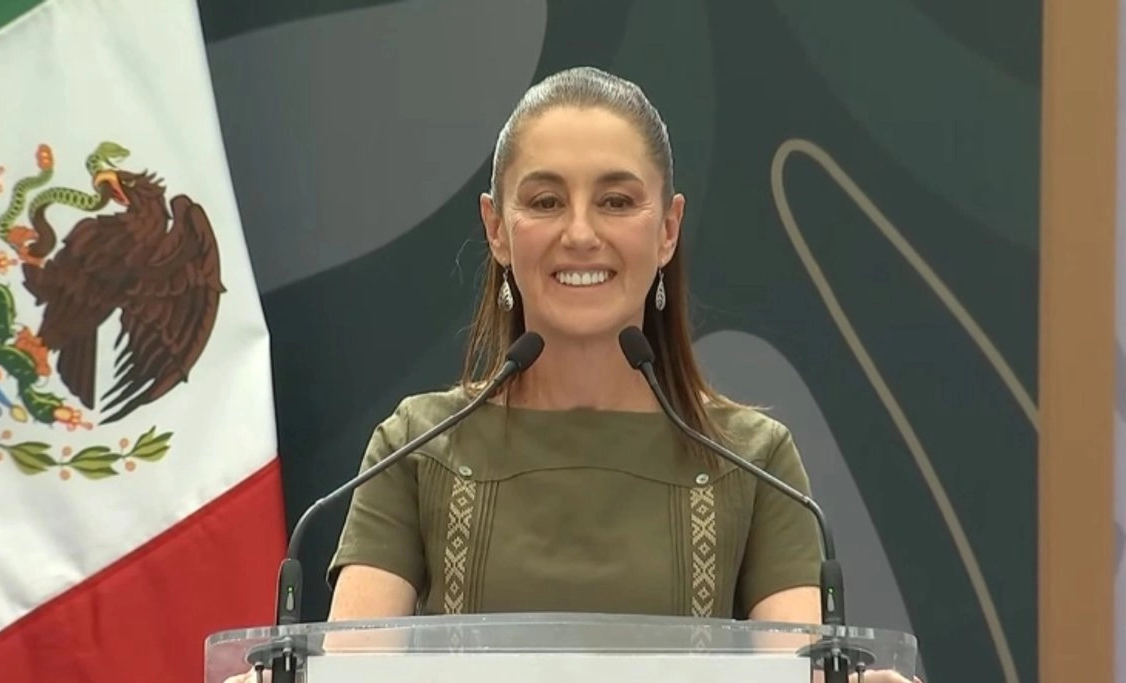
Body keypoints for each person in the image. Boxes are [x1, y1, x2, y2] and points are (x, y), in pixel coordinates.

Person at [234, 66, 920, 683]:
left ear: (668, 229)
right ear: (496, 228)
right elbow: (356, 671)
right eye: (545, 201)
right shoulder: (416, 446)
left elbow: (796, 671)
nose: (582, 234)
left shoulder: (755, 459)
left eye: (616, 201)